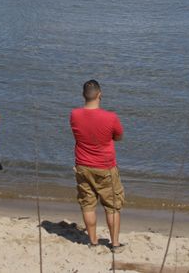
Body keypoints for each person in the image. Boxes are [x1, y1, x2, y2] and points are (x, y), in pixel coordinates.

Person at [70, 80, 125, 253]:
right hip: (105, 167)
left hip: (83, 165)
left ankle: (93, 242)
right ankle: (114, 244)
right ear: (100, 95)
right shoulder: (111, 117)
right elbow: (118, 136)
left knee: (88, 203)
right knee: (112, 206)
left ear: (83, 95)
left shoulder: (74, 115)